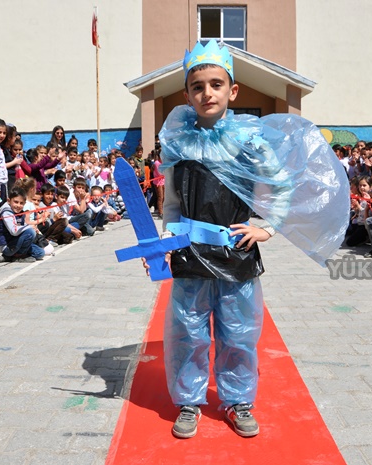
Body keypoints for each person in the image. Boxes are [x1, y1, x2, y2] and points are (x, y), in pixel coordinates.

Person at [150, 40, 347, 439]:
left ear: (233, 90)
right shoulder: (178, 142)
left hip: (236, 249)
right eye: (197, 86)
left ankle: (238, 399)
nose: (207, 93)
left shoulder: (249, 140)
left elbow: (282, 184)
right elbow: (171, 202)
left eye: (216, 84)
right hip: (190, 250)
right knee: (188, 329)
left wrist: (267, 227)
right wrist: (165, 239)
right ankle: (189, 400)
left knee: (238, 331)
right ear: (186, 94)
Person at [0, 187, 45, 262]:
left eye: (21, 203)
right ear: (9, 201)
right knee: (30, 232)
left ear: (24, 204)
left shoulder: (20, 212)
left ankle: (10, 256)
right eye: (16, 202)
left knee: (40, 253)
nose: (18, 205)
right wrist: (29, 227)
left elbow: (21, 226)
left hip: (16, 242)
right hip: (7, 246)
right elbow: (14, 231)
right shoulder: (6, 212)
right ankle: (18, 256)